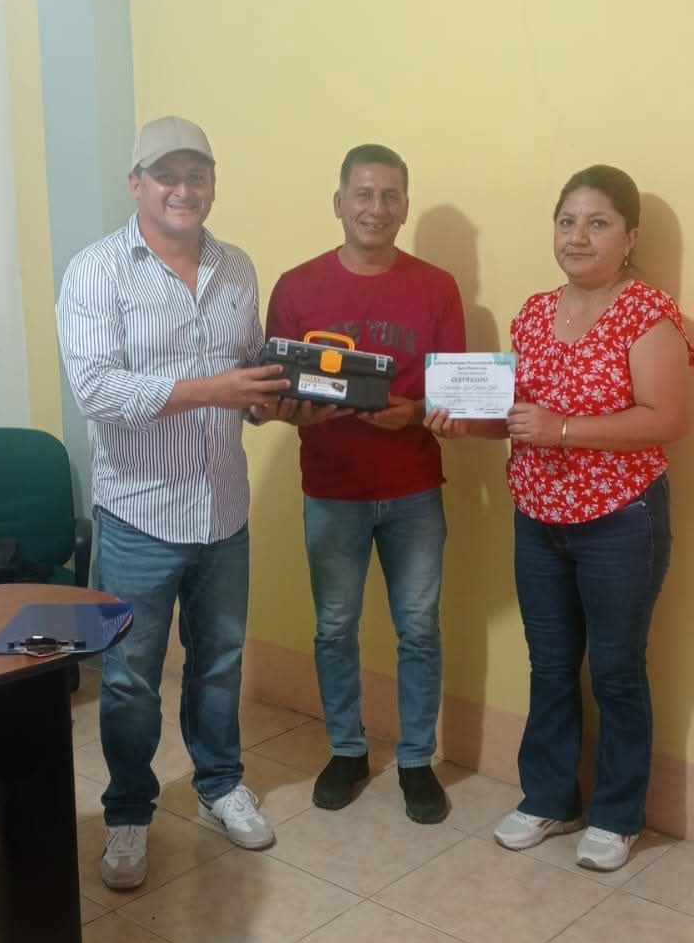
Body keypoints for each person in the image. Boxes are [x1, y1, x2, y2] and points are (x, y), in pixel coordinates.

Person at [426, 164, 692, 870]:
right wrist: (465, 422)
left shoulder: (648, 314)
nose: (578, 236)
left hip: (620, 521)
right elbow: (519, 419)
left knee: (616, 669)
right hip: (538, 518)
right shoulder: (535, 313)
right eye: (567, 221)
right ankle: (548, 796)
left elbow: (668, 418)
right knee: (549, 665)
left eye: (598, 222)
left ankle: (617, 814)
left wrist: (564, 429)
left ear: (629, 238)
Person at [57, 116, 291, 889]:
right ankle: (128, 810)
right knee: (129, 678)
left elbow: (247, 373)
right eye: (167, 175)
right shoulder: (96, 271)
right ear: (137, 184)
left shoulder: (237, 267)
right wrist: (214, 389)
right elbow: (97, 390)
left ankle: (221, 784)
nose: (183, 189)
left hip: (223, 509)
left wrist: (272, 401)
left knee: (219, 663)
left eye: (197, 174)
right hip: (138, 514)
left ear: (212, 183)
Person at [266, 143, 466, 823]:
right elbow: (275, 392)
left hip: (414, 487)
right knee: (334, 627)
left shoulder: (437, 287)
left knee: (419, 629)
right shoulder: (296, 287)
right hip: (332, 489)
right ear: (339, 203)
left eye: (389, 196)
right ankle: (347, 751)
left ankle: (416, 760)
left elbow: (455, 396)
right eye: (363, 194)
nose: (376, 208)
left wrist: (415, 412)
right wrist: (295, 411)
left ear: (404, 207)